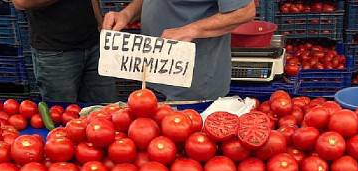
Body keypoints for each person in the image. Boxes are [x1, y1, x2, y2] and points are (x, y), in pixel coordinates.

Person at [103, 0, 256, 101]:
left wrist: (191, 30)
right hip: (153, 73)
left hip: (194, 82)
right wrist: (127, 14)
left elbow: (245, 11)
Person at [13, 0, 117, 104]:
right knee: (62, 113)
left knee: (105, 111)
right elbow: (21, 2)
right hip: (55, 53)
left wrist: (100, 24)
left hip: (94, 44)